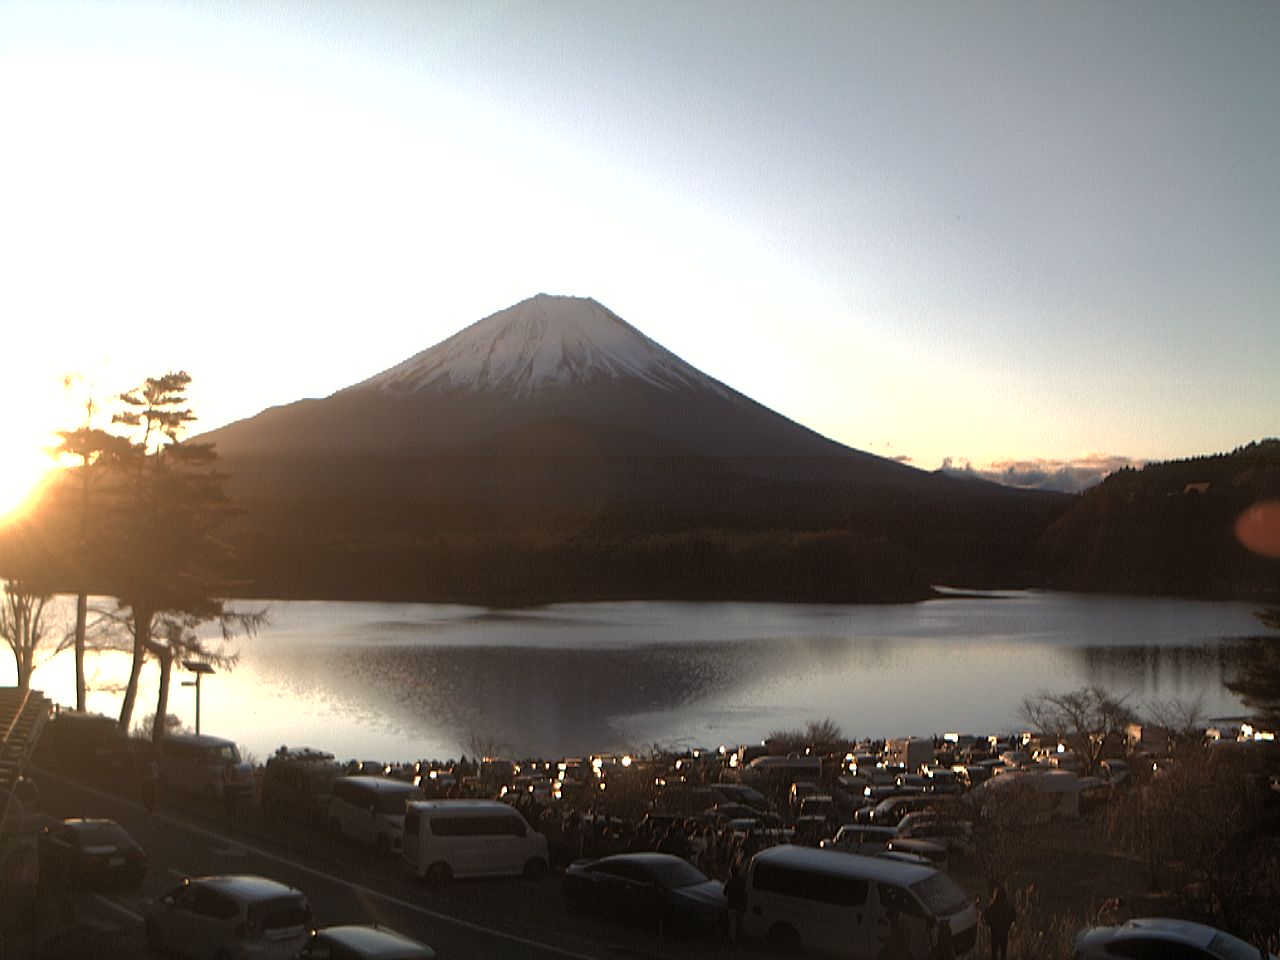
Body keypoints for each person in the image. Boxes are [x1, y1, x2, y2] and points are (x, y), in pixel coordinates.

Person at [982, 884, 1016, 960]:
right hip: (1004, 932)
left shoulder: (993, 907)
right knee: (1004, 952)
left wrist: (990, 924)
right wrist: (1009, 924)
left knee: (994, 952)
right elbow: (1014, 916)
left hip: (995, 932)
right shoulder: (1009, 906)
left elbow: (985, 916)